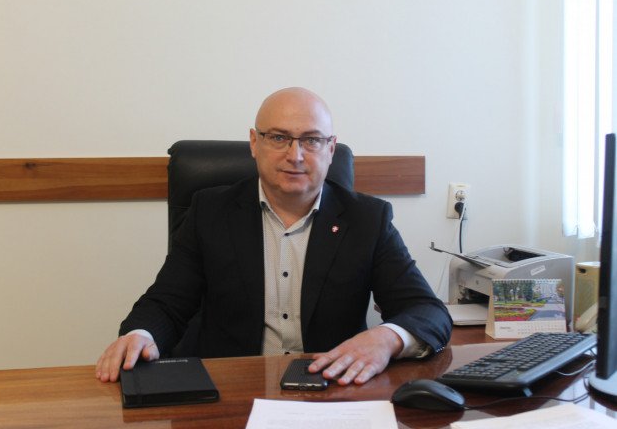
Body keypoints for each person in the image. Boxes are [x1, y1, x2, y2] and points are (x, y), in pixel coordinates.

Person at [96, 87, 452, 385]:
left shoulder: (367, 219)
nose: (295, 155)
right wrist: (140, 336)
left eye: (312, 140)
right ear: (254, 143)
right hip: (232, 389)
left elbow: (427, 311)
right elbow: (166, 303)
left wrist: (387, 338)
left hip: (331, 388)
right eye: (279, 138)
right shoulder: (210, 212)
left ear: (331, 149)